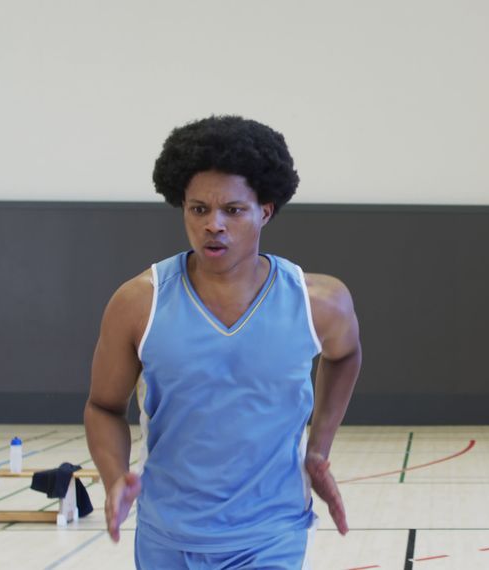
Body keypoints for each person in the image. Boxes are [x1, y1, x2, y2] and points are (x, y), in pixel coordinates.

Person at [84, 115, 362, 568]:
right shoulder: (139, 303)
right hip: (166, 536)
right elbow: (102, 407)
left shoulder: (319, 302)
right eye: (199, 209)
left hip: (272, 532)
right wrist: (114, 476)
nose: (214, 224)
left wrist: (319, 447)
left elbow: (346, 355)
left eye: (233, 210)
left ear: (264, 212)